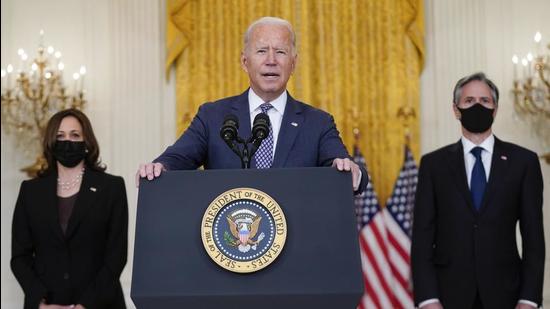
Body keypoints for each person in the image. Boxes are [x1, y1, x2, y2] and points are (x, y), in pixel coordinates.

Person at [136, 16, 368, 194]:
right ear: (245, 62)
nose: (271, 60)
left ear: (293, 63)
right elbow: (176, 159)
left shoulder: (317, 122)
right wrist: (159, 168)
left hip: (296, 246)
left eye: (280, 52)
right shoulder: (213, 116)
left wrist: (351, 172)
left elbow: (346, 169)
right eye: (261, 51)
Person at [411, 72, 545, 309]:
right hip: (447, 296)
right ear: (456, 110)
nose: (477, 106)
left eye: (485, 101)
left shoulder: (523, 162)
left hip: (507, 295)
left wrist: (529, 300)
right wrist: (428, 300)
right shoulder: (433, 165)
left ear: (495, 109)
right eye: (469, 101)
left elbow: (534, 240)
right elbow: (422, 239)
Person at [11, 109, 128, 309]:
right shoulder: (30, 191)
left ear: (86, 142)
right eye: (60, 136)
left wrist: (84, 305)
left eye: (75, 135)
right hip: (47, 305)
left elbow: (116, 256)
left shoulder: (112, 188)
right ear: (51, 141)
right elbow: (20, 257)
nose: (68, 141)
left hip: (100, 304)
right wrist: (40, 303)